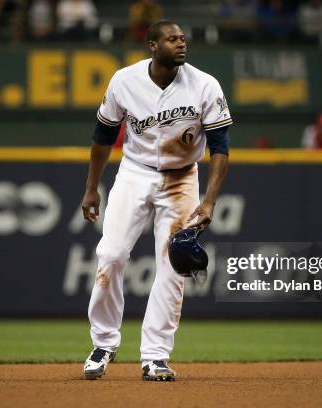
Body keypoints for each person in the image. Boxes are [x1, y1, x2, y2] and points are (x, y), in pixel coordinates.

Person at [81, 20, 231, 381]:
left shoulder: (205, 84)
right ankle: (103, 343)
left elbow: (220, 150)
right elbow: (102, 137)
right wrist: (91, 187)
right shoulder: (124, 80)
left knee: (173, 263)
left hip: (182, 178)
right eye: (172, 39)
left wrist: (208, 202)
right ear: (152, 45)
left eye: (183, 38)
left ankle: (156, 356)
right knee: (111, 254)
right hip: (135, 172)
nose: (181, 43)